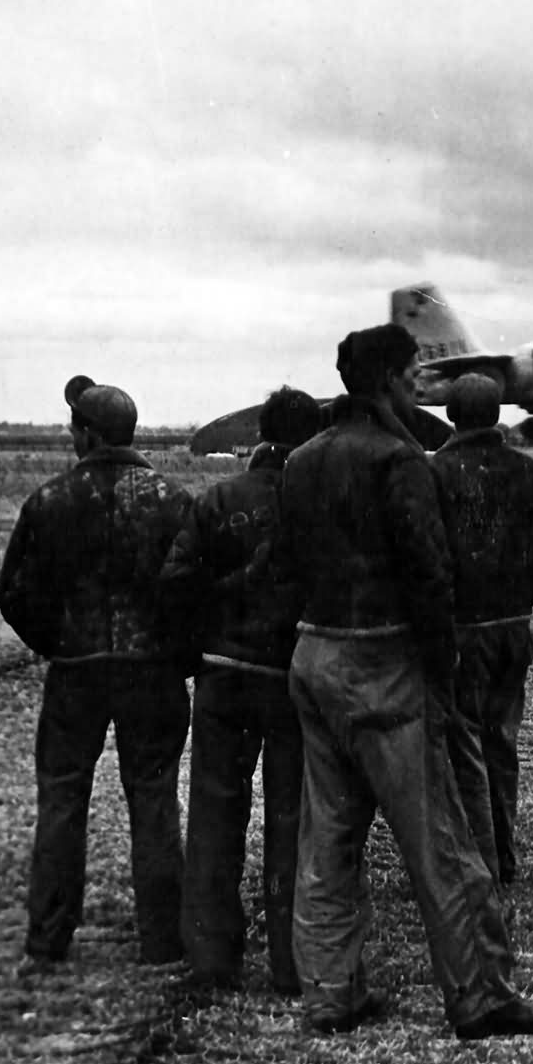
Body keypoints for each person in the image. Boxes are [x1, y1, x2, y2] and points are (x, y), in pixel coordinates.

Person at [277, 325, 533, 1040]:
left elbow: (287, 567)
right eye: (410, 374)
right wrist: (440, 665)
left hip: (314, 657)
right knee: (442, 842)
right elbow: (429, 576)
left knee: (329, 841)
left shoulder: (303, 460)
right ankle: (482, 994)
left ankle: (330, 992)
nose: (415, 385)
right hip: (385, 667)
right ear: (393, 380)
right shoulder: (402, 461)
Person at [0, 376, 193, 968]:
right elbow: (192, 592)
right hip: (151, 674)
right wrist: (173, 654)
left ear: (85, 434)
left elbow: (15, 594)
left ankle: (49, 936)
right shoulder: (172, 500)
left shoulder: (50, 500)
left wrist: (56, 642)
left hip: (76, 672)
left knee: (61, 800)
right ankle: (162, 940)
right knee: (154, 799)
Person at [161, 387, 322, 991]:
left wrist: (201, 643)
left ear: (262, 432)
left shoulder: (217, 498)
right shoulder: (320, 505)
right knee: (292, 819)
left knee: (214, 814)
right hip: (292, 679)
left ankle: (211, 957)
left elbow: (176, 583)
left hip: (224, 675)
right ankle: (290, 961)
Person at [428, 374, 533, 888]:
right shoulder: (528, 471)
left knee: (461, 747)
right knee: (500, 743)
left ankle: (477, 862)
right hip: (512, 628)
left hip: (461, 631)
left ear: (450, 415)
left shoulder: (435, 472)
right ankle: (501, 856)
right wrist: (519, 602)